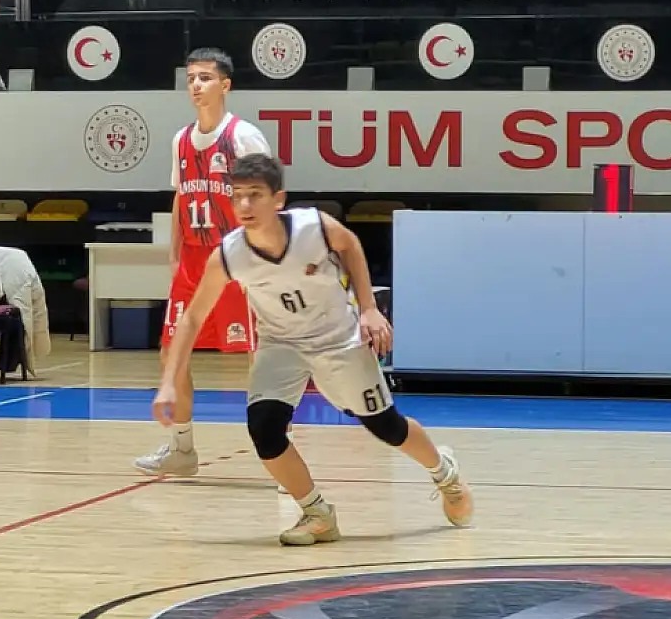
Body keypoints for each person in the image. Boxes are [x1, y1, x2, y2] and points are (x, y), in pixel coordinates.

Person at [150, 154, 474, 546]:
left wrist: (369, 308)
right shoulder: (229, 255)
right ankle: (317, 513)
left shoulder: (314, 227)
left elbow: (351, 245)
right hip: (280, 343)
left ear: (278, 199)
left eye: (255, 195)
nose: (245, 206)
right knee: (264, 429)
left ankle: (445, 473)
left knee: (386, 427)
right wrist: (169, 382)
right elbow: (192, 320)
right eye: (238, 197)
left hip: (337, 338)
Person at [135, 47, 271, 478]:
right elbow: (181, 196)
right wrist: (175, 253)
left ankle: (278, 455)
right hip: (194, 261)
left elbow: (268, 200)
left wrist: (266, 259)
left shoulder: (243, 136)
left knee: (262, 361)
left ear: (225, 84)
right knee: (171, 355)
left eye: (206, 77)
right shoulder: (180, 140)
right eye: (191, 77)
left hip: (237, 259)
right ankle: (182, 449)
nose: (196, 84)